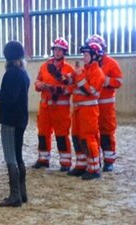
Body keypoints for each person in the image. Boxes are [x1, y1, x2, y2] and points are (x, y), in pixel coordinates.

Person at [0, 41, 30, 207]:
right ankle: (22, 191)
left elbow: (8, 98)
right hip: (21, 119)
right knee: (18, 155)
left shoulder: (11, 74)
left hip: (10, 120)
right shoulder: (22, 73)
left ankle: (15, 195)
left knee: (10, 156)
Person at [59, 42, 105, 180]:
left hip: (89, 110)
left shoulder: (98, 73)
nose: (84, 57)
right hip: (78, 109)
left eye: (86, 55)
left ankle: (94, 168)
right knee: (76, 137)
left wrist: (79, 80)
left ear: (94, 56)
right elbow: (72, 84)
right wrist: (66, 78)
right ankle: (81, 164)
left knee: (88, 137)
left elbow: (91, 91)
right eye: (83, 55)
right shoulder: (83, 70)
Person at [32, 37, 75, 171]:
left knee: (61, 135)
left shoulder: (69, 69)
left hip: (61, 109)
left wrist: (58, 89)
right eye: (55, 49)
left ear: (64, 52)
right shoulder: (44, 66)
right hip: (45, 108)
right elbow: (37, 82)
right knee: (43, 134)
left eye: (60, 50)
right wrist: (41, 85)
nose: (57, 52)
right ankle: (43, 159)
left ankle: (65, 162)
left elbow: (71, 88)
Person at [85, 34, 123, 172]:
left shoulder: (111, 63)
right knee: (92, 133)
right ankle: (95, 160)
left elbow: (119, 81)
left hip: (106, 105)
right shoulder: (87, 65)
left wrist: (106, 80)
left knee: (106, 132)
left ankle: (109, 161)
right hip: (91, 105)